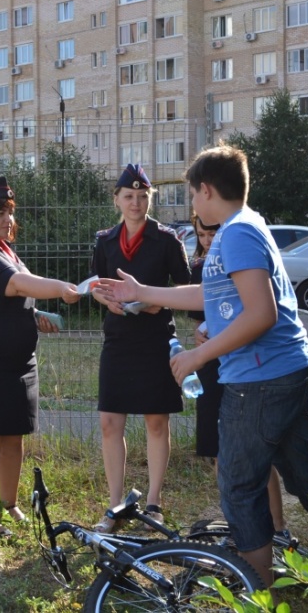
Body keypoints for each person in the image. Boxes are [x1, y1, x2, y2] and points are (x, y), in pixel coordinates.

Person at [97, 145, 308, 588]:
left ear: (206, 190)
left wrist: (198, 355)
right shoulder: (245, 225)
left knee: (240, 488)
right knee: (307, 479)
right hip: (287, 370)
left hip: (261, 379)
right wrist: (142, 291)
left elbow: (261, 313)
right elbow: (211, 294)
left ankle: (257, 590)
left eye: (192, 193)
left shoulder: (237, 234)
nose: (192, 203)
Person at [0, 176, 82, 539]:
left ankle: (9, 504)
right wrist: (61, 288)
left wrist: (34, 315)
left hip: (18, 360)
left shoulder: (5, 250)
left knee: (14, 436)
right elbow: (15, 285)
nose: (8, 220)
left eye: (10, 212)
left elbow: (12, 298)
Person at [87, 164, 190, 531]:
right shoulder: (105, 241)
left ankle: (154, 503)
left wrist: (153, 301)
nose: (136, 203)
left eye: (143, 196)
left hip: (155, 340)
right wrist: (105, 300)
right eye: (129, 196)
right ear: (116, 199)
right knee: (109, 423)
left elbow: (185, 289)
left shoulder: (166, 240)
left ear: (150, 199)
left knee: (156, 423)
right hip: (118, 341)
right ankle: (115, 506)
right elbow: (96, 285)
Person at [188, 213, 288, 537]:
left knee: (256, 454)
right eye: (201, 235)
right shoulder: (199, 267)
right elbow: (199, 315)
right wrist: (199, 337)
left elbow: (257, 312)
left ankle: (277, 526)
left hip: (244, 364)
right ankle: (237, 523)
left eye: (211, 234)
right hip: (211, 364)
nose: (207, 241)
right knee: (220, 449)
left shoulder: (240, 255)